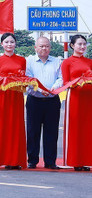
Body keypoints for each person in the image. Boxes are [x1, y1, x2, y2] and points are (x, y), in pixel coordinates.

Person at [0, 33, 28, 169]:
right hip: (3, 97)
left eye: (12, 42)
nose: (9, 44)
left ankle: (16, 160)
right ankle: (4, 159)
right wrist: (1, 80)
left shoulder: (22, 60)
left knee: (17, 126)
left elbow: (24, 77)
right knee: (4, 126)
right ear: (2, 44)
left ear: (15, 44)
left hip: (17, 96)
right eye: (6, 42)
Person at [25, 36, 62, 169]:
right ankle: (32, 160)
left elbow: (60, 78)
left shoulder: (57, 61)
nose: (44, 48)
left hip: (52, 100)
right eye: (41, 46)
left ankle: (50, 161)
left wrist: (54, 88)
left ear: (50, 48)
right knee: (32, 130)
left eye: (47, 46)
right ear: (35, 47)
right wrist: (40, 89)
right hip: (35, 100)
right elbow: (27, 78)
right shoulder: (29, 61)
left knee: (51, 131)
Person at [60, 34, 92, 171]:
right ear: (72, 45)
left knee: (87, 129)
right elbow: (66, 82)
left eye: (84, 44)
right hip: (75, 98)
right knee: (74, 129)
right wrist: (78, 82)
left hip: (89, 98)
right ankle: (74, 160)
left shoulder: (90, 62)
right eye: (79, 44)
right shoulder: (67, 62)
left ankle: (86, 160)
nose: (82, 47)